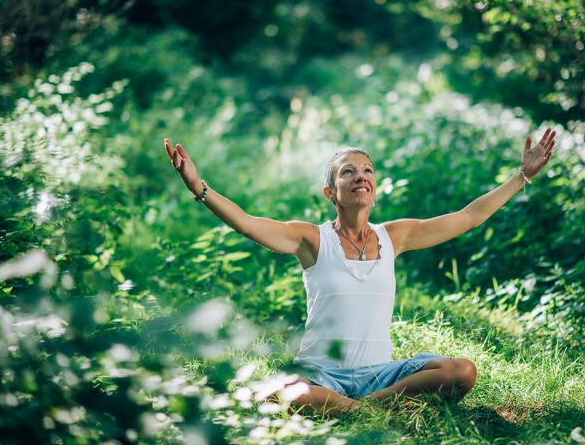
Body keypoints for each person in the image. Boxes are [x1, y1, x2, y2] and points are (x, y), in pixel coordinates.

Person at [163, 127, 556, 416]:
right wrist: (199, 187)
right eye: (348, 172)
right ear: (330, 192)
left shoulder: (395, 236)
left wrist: (522, 176)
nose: (360, 177)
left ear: (375, 186)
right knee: (280, 391)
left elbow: (469, 217)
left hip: (380, 375)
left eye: (366, 171)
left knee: (460, 371)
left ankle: (355, 409)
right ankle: (363, 410)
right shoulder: (311, 239)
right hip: (321, 375)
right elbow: (247, 222)